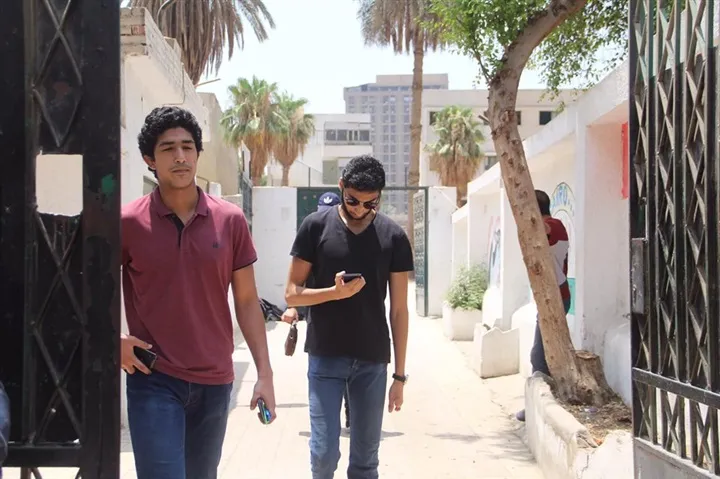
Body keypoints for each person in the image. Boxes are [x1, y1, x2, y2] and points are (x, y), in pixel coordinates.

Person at [121, 106, 276, 479]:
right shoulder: (128, 222)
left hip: (215, 380)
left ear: (197, 154)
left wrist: (265, 374)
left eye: (187, 147)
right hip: (153, 377)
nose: (180, 156)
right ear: (149, 160)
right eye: (168, 148)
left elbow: (246, 301)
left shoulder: (230, 220)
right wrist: (114, 339)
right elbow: (95, 288)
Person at [285, 155, 413, 479]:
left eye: (370, 203)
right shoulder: (315, 227)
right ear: (341, 186)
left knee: (365, 463)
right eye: (353, 200)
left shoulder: (394, 236)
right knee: (324, 455)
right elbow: (291, 293)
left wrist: (399, 377)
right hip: (325, 356)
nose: (359, 209)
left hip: (372, 360)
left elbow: (399, 310)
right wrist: (333, 293)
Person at [281, 192, 352, 429]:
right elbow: (296, 281)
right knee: (324, 365)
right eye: (322, 210)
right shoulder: (312, 236)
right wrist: (292, 307)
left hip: (348, 314)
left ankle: (351, 411)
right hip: (318, 314)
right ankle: (325, 419)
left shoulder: (347, 239)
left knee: (350, 364)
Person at [516, 189, 571, 422]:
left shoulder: (553, 225)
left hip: (556, 298)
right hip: (552, 297)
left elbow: (544, 229)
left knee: (538, 356)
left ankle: (536, 408)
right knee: (543, 356)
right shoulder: (550, 228)